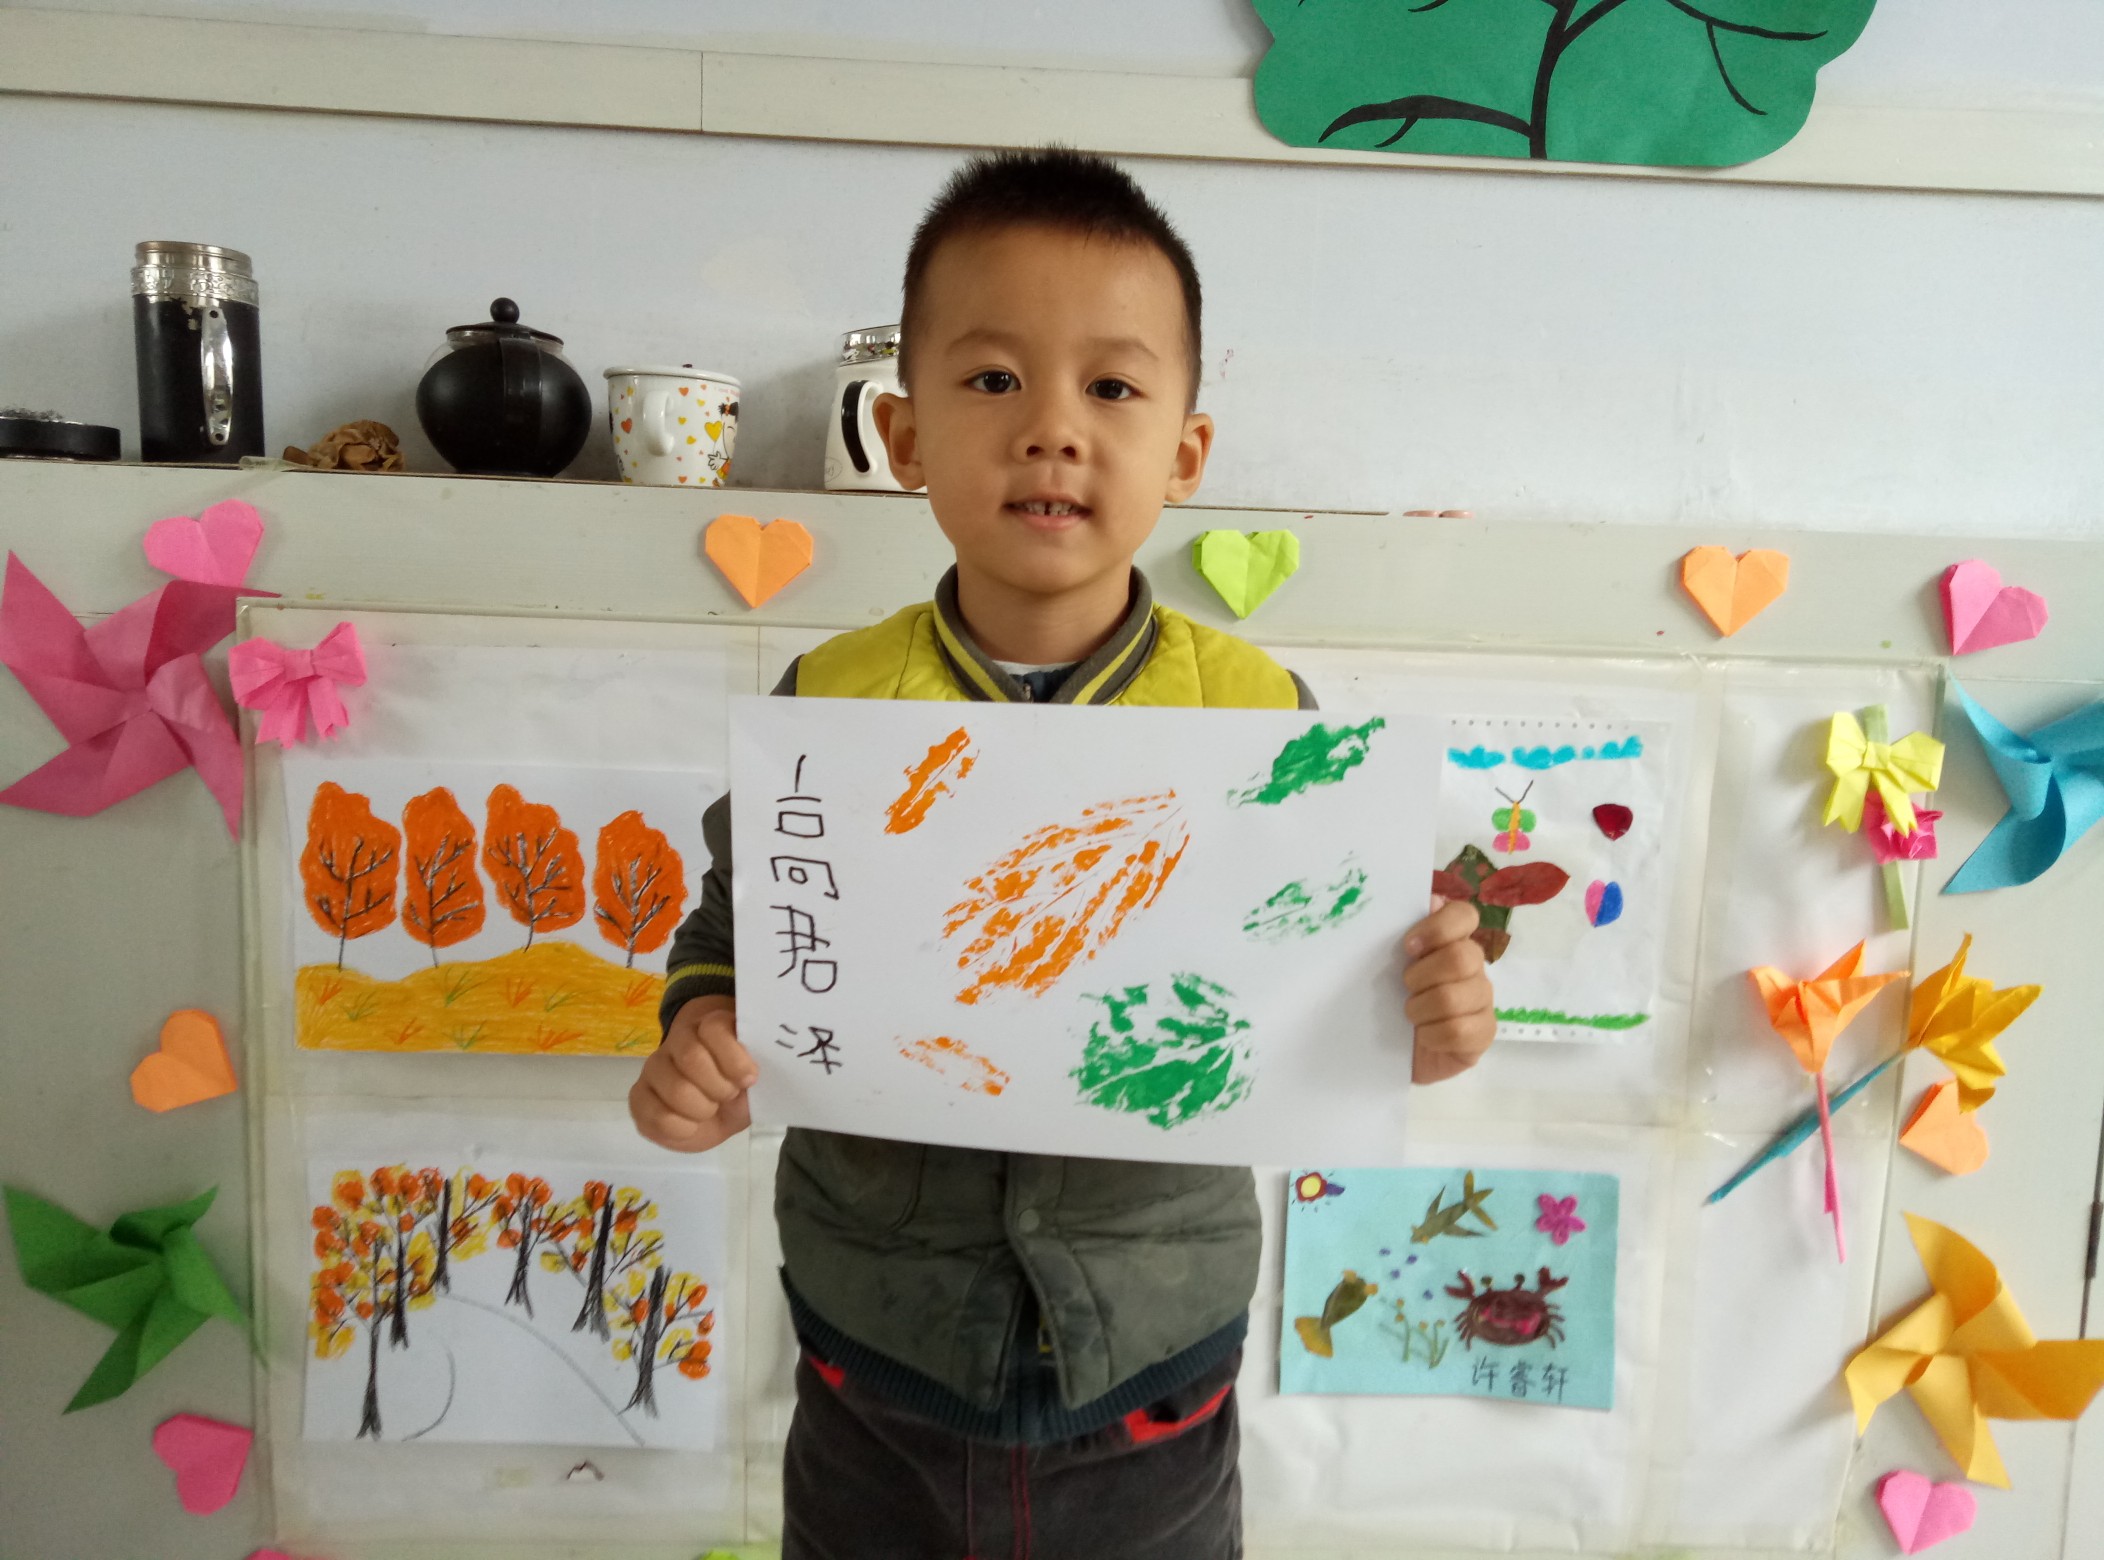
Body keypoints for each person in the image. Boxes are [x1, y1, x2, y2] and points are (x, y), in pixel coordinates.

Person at [631, 146, 1496, 1559]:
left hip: (1153, 1361)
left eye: (1111, 388)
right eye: (992, 380)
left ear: (1187, 453)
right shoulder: (831, 706)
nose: (1051, 430)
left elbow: (1336, 988)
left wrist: (1428, 1020)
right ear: (903, 436)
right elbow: (733, 933)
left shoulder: (1266, 723)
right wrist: (700, 1037)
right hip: (878, 1356)